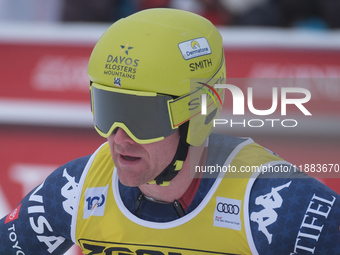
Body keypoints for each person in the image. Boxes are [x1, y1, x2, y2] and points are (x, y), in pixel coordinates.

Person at [0, 8, 339, 255]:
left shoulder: (274, 202)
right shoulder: (77, 188)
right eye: (109, 112)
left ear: (200, 112)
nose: (119, 138)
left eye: (142, 119)